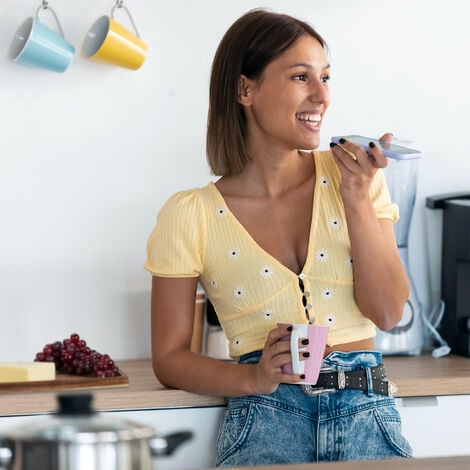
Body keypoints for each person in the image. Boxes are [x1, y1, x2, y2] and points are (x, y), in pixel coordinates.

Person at [145, 8, 413, 466]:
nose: (321, 95)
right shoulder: (190, 214)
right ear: (245, 89)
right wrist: (251, 381)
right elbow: (169, 358)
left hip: (368, 414)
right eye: (300, 77)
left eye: (325, 77)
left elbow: (388, 312)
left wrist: (355, 199)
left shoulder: (357, 179)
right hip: (265, 422)